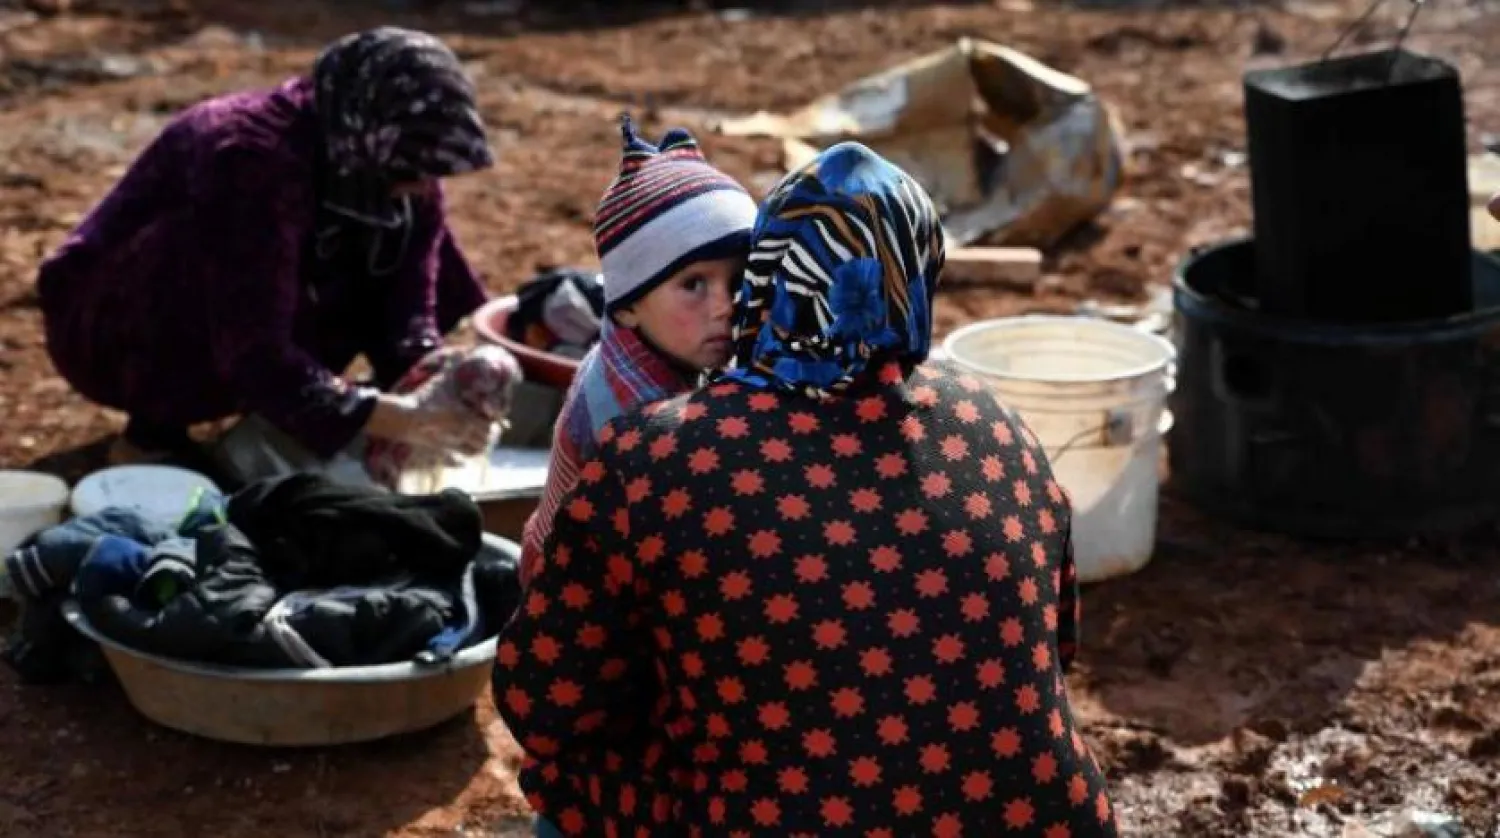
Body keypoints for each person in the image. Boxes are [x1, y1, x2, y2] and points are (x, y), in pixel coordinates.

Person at [494, 142, 1118, 836]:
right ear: (916, 277)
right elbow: (1058, 645)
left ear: (769, 276)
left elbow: (542, 701)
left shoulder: (656, 454)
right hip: (1045, 819)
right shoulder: (991, 417)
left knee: (565, 782)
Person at [37, 27, 498, 468]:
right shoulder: (249, 157)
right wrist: (397, 418)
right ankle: (153, 431)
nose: (422, 183)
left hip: (252, 305)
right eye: (412, 166)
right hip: (109, 326)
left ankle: (304, 410)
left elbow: (409, 306)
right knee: (226, 263)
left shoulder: (382, 165)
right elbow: (252, 343)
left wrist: (433, 381)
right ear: (368, 129)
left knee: (397, 237)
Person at [516, 115, 757, 584]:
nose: (726, 306)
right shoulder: (635, 421)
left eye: (738, 280)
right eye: (693, 285)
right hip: (574, 615)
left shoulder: (645, 350)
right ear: (626, 307)